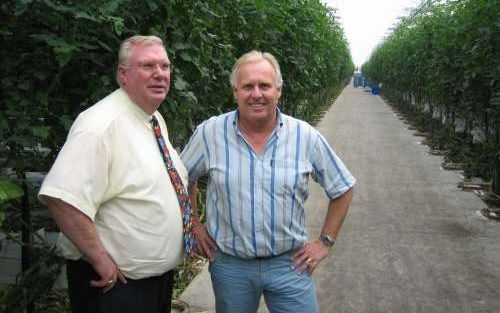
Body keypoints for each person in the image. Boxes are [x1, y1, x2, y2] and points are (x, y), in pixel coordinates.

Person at [181, 50, 356, 313]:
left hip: (290, 265)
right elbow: (182, 180)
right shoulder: (210, 134)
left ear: (279, 91)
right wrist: (193, 224)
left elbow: (343, 188)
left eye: (264, 85)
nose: (256, 93)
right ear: (235, 92)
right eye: (247, 86)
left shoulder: (304, 137)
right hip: (231, 267)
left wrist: (325, 242)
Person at [38, 35, 187, 313]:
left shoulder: (151, 118)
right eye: (148, 66)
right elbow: (62, 198)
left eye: (165, 67)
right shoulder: (100, 125)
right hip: (114, 287)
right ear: (123, 74)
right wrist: (100, 260)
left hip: (152, 284)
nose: (159, 74)